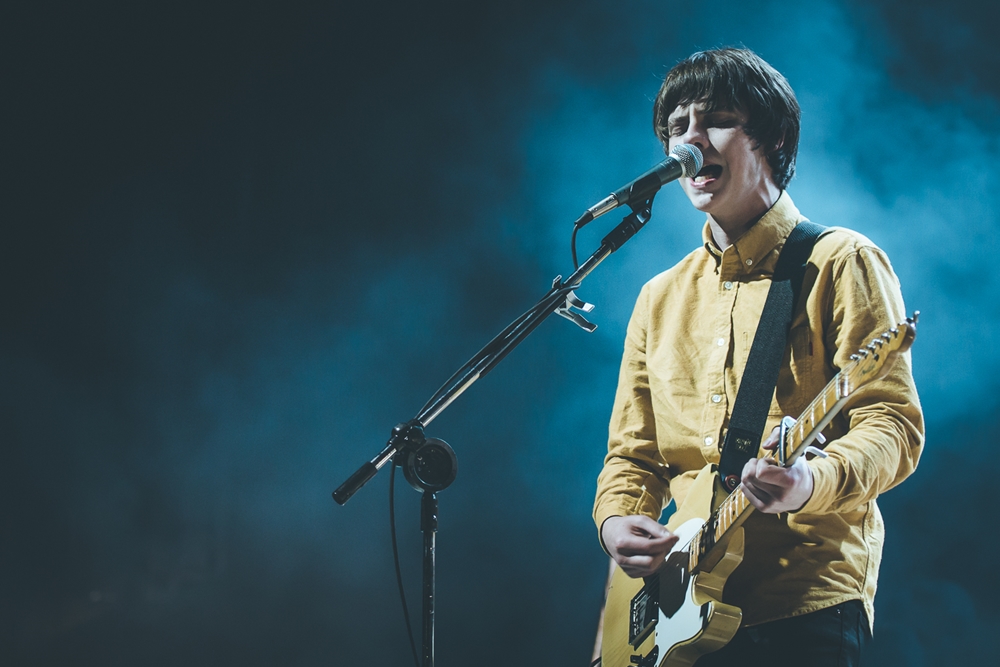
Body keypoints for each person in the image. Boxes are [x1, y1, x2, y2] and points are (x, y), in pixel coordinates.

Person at [592, 48, 924, 666]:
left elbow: (893, 427)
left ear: (771, 137)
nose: (690, 140)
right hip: (673, 619)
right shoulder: (658, 298)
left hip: (803, 604)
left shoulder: (841, 261)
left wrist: (807, 482)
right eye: (676, 127)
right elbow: (632, 456)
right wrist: (617, 523)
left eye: (714, 119)